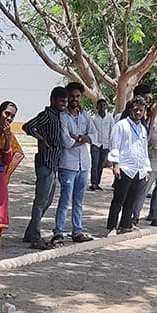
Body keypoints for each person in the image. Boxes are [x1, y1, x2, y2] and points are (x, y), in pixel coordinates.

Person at [22, 87, 66, 249]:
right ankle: (35, 237)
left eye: (65, 101)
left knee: (47, 201)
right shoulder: (46, 115)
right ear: (53, 100)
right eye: (61, 101)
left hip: (54, 163)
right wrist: (41, 139)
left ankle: (30, 231)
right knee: (41, 201)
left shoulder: (60, 116)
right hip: (45, 162)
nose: (64, 104)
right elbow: (27, 126)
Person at [105, 95, 152, 234]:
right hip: (124, 167)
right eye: (136, 109)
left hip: (138, 169)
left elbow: (144, 150)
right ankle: (112, 227)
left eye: (141, 110)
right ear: (130, 109)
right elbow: (114, 145)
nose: (138, 113)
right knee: (119, 198)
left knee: (131, 199)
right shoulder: (121, 125)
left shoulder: (143, 129)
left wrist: (146, 168)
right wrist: (115, 164)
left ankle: (125, 225)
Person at [55, 86, 96, 243]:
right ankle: (58, 231)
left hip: (83, 165)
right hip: (68, 165)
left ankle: (77, 231)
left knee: (79, 201)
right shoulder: (63, 117)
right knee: (65, 200)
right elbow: (66, 142)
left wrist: (79, 137)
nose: (75, 99)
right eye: (71, 96)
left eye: (78, 96)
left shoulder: (85, 116)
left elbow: (95, 136)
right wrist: (84, 139)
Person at [0, 100, 24, 260]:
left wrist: (7, 139)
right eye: (6, 113)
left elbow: (15, 156)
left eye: (12, 116)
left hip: (0, 176)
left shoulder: (9, 135)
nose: (8, 118)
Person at [89, 99, 111, 190]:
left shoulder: (110, 118)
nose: (102, 107)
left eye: (104, 105)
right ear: (97, 107)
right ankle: (93, 183)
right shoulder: (93, 118)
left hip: (105, 145)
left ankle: (97, 183)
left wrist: (111, 144)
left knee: (101, 164)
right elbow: (90, 131)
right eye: (100, 105)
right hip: (95, 144)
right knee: (95, 163)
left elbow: (112, 130)